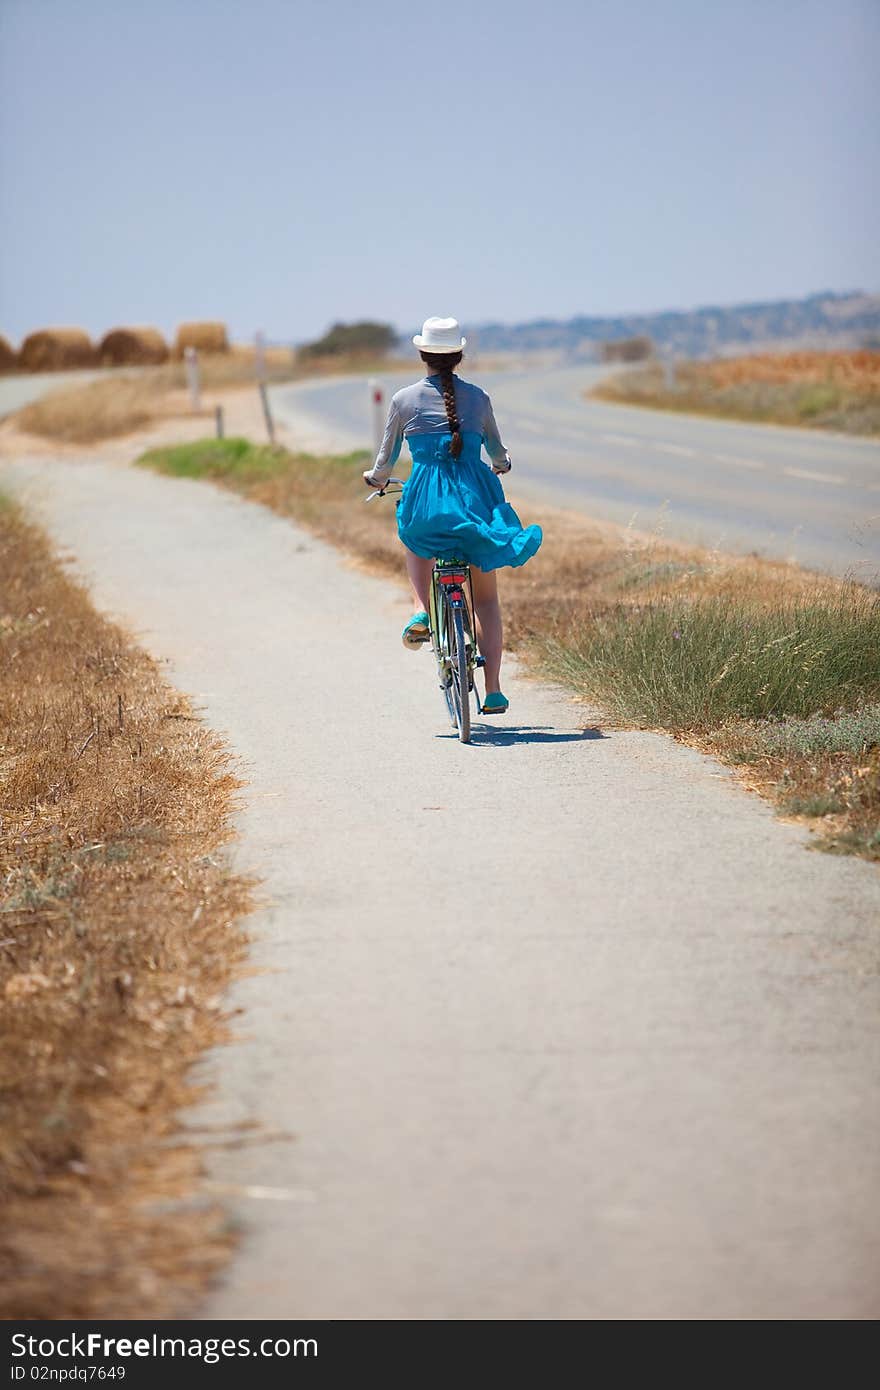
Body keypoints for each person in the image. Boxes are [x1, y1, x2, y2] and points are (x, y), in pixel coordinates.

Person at [363, 316, 542, 714]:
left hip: (428, 499)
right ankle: (493, 688)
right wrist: (502, 463)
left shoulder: (403, 400)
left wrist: (375, 479)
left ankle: (420, 610)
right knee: (486, 600)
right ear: (459, 355)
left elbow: (386, 461)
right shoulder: (479, 397)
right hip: (475, 500)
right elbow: (498, 451)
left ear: (423, 354)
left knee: (415, 538)